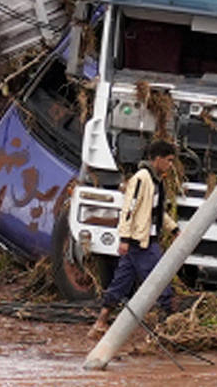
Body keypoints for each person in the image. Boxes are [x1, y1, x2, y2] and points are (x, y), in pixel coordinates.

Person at [91, 139, 179, 335]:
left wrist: (173, 229)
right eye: (169, 160)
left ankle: (101, 322)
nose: (171, 165)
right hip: (141, 242)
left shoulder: (157, 180)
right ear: (158, 159)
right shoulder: (142, 179)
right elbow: (128, 209)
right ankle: (168, 325)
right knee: (161, 278)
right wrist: (124, 238)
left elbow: (156, 212)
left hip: (141, 241)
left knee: (121, 282)